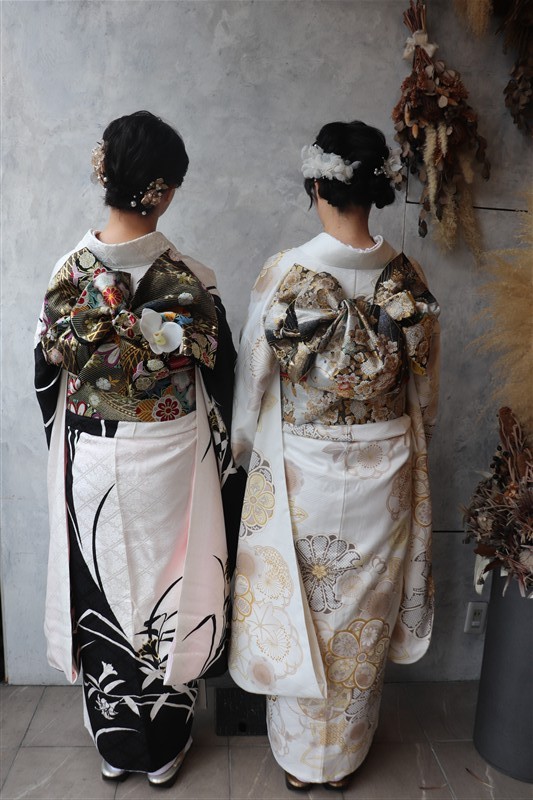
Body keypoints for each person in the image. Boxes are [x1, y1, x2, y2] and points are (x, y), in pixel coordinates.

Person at [228, 120, 440, 790]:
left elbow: (252, 379)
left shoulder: (285, 272)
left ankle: (300, 761)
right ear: (375, 189)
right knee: (363, 610)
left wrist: (242, 445)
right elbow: (427, 390)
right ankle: (344, 757)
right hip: (386, 466)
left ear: (317, 186)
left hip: (302, 469)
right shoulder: (407, 278)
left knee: (304, 605)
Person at [34, 110, 242, 787]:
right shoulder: (194, 278)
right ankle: (165, 740)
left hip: (93, 452)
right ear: (164, 191)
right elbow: (223, 380)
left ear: (106, 175)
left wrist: (73, 433)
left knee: (101, 579)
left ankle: (116, 742)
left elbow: (46, 380)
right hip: (174, 455)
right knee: (171, 588)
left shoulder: (68, 274)